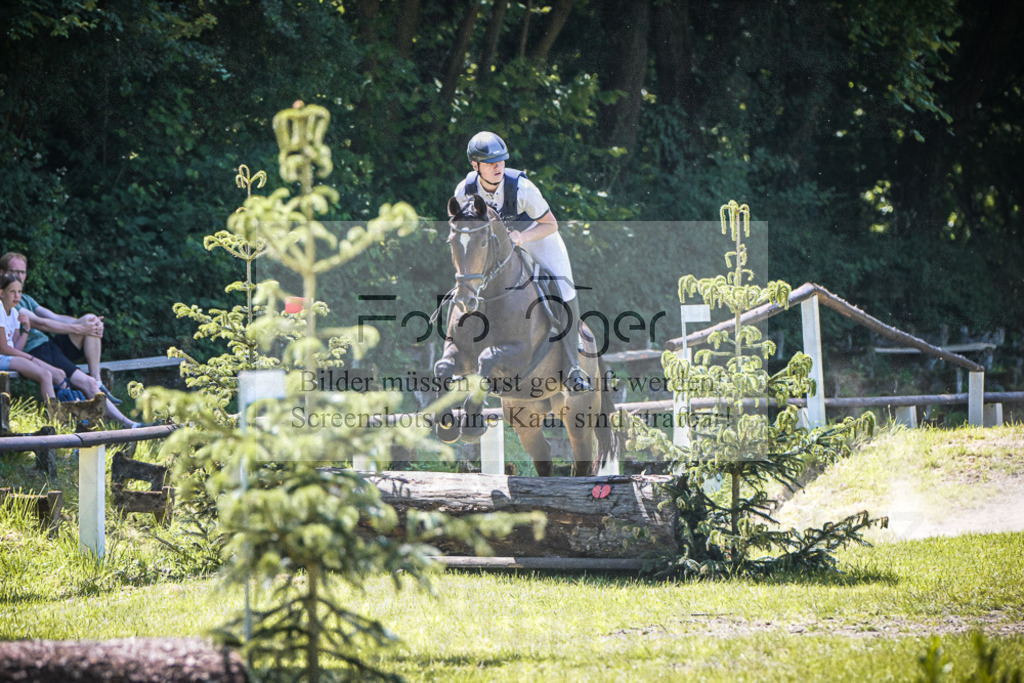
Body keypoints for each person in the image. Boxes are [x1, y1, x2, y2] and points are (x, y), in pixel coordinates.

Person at [453, 131, 592, 392]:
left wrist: (522, 237)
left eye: (501, 161)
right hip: (493, 246)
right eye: (490, 162)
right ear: (475, 165)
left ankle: (573, 366)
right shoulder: (465, 191)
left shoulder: (522, 188)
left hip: (536, 236)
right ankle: (463, 356)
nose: (498, 166)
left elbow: (551, 224)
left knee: (564, 286)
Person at [0, 254, 141, 427]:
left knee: (90, 319)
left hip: (47, 346)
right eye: (14, 271)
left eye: (22, 272)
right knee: (83, 382)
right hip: (36, 351)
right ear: (2, 273)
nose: (19, 276)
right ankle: (126, 424)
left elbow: (54, 317)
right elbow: (42, 323)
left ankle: (98, 381)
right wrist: (80, 328)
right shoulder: (8, 301)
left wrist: (88, 324)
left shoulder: (23, 298)